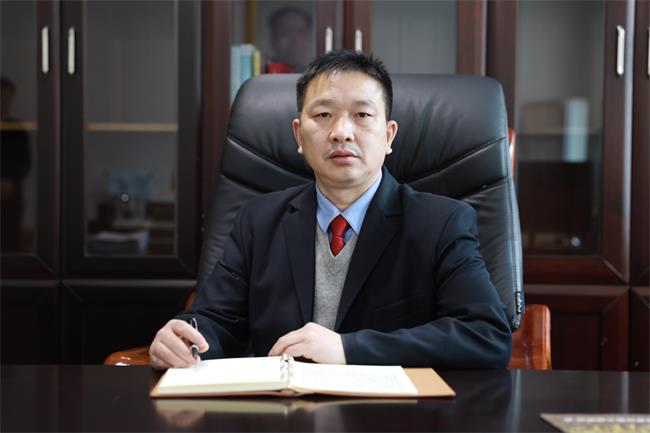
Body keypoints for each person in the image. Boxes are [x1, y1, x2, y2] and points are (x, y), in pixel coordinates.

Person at [149, 50, 512, 369]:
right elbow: (216, 321)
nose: (341, 132)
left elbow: (485, 335)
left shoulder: (440, 223)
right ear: (298, 135)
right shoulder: (257, 221)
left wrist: (347, 348)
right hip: (278, 411)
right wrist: (184, 339)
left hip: (392, 414)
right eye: (323, 115)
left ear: (388, 136)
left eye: (362, 115)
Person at [1, 76, 31, 253]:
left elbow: (24, 162)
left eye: (6, 98)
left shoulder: (16, 128)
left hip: (11, 195)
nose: (2, 102)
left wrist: (8, 182)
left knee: (9, 243)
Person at [267, 5, 313, 73]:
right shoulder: (263, 73)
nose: (294, 41)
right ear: (273, 40)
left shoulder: (317, 75)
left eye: (300, 32)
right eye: (285, 32)